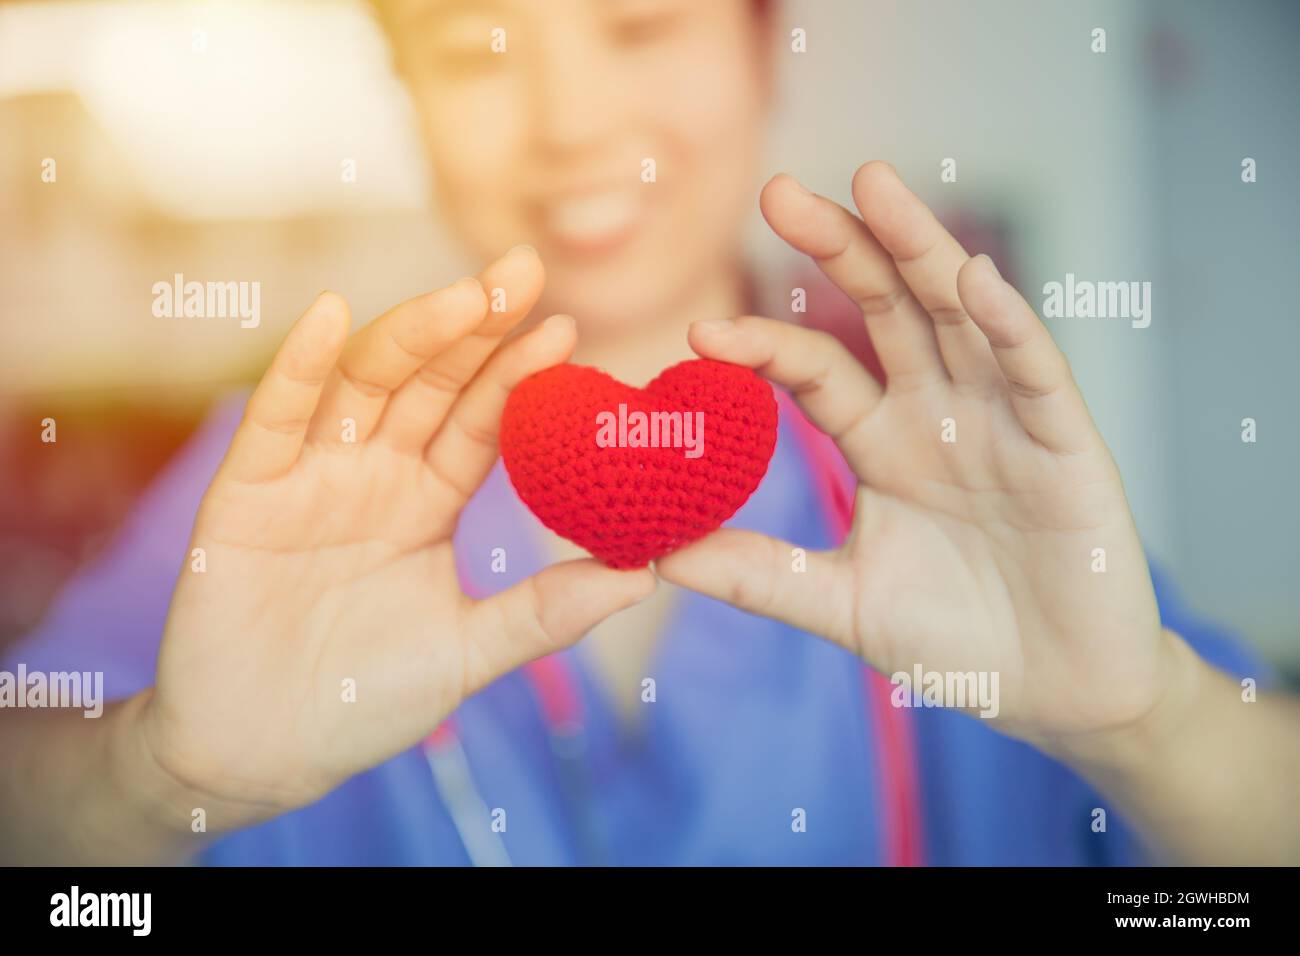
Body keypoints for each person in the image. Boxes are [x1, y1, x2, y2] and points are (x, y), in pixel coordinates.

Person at [1, 0, 1296, 866]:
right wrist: (146, 767)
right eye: (474, 47)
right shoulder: (284, 480)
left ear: (756, 42)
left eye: (638, 21)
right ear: (402, 92)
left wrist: (1152, 725)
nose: (569, 122)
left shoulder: (950, 482)